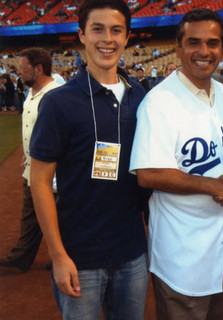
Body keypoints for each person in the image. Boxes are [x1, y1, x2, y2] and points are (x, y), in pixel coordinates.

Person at [29, 1, 149, 318]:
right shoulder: (59, 102)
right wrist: (57, 255)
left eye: (115, 30)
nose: (106, 39)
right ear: (82, 35)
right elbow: (39, 181)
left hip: (132, 254)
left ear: (127, 37)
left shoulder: (142, 98)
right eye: (97, 29)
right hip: (79, 256)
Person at [129, 8, 223, 320]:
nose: (204, 51)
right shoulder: (159, 102)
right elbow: (148, 173)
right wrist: (215, 186)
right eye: (194, 42)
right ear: (178, 48)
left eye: (213, 43)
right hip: (183, 250)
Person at [0, 48, 61, 273]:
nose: (20, 74)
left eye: (24, 69)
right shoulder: (33, 93)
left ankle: (62, 257)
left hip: (53, 172)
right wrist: (27, 153)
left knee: (59, 216)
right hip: (33, 167)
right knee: (31, 214)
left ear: (38, 68)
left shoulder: (57, 94)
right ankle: (21, 258)